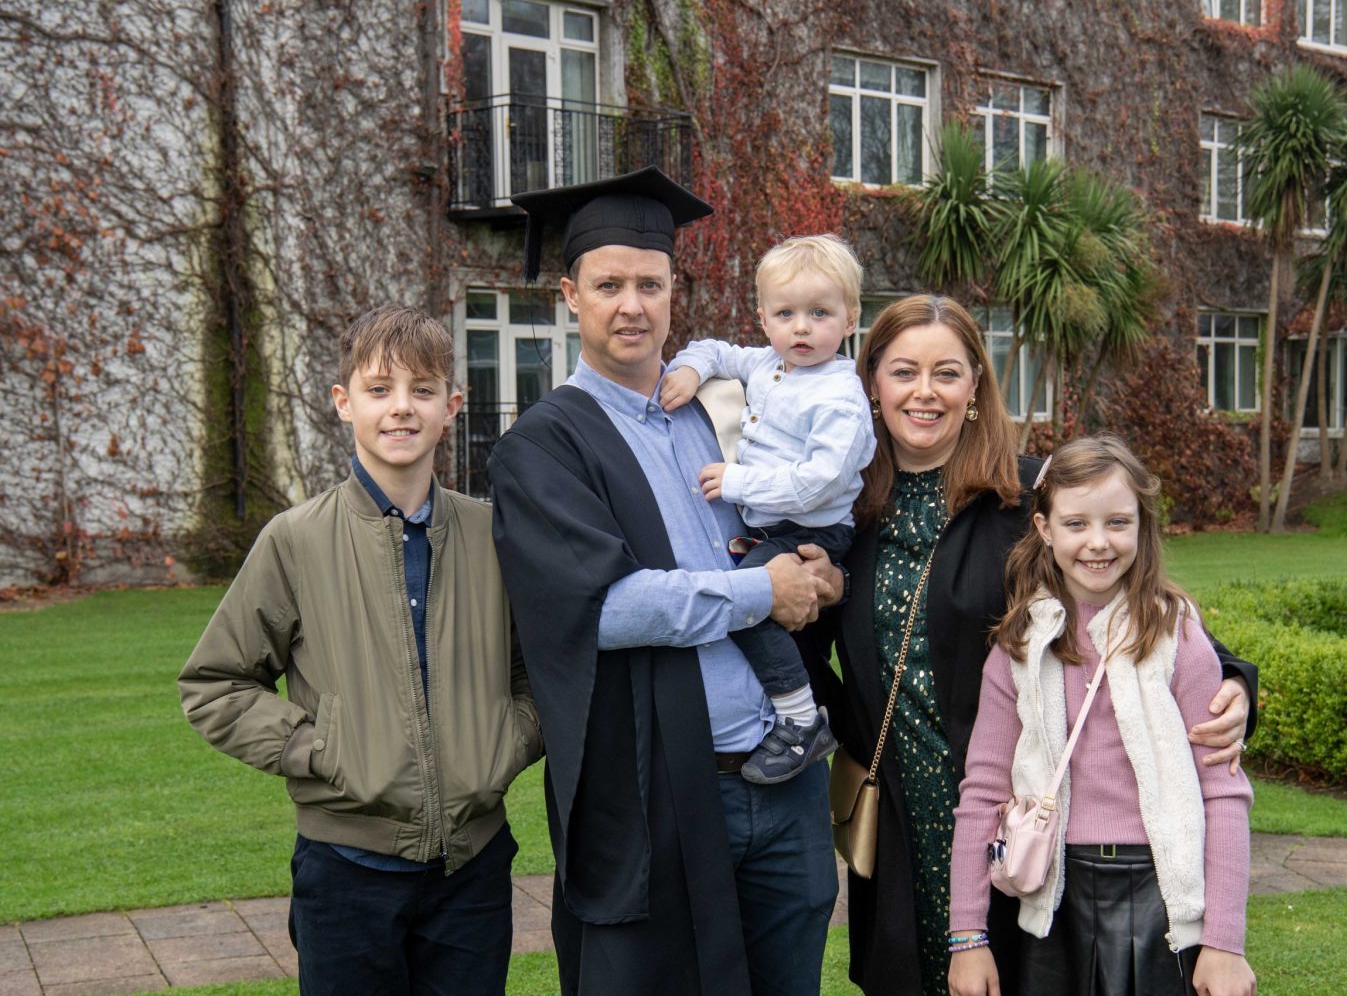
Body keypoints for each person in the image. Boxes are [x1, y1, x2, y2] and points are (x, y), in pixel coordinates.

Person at [799, 295, 1256, 996]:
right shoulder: (841, 509)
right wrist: (850, 728)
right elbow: (803, 646)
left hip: (1022, 818)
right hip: (900, 813)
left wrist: (1235, 681)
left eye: (947, 373)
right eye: (904, 372)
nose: (925, 392)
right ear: (872, 383)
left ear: (975, 386)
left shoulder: (1026, 498)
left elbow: (1140, 611)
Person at [487, 166, 840, 996]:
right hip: (663, 794)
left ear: (675, 293)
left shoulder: (712, 417)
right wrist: (765, 591)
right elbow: (604, 609)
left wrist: (817, 568)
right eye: (608, 286)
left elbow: (779, 529)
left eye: (650, 285)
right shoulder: (543, 446)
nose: (631, 306)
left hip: (784, 777)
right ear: (571, 297)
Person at [178, 304, 544, 995]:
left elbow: (544, 671)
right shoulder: (296, 540)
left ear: (451, 407)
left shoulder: (494, 536)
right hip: (345, 874)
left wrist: (509, 737)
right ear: (345, 403)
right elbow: (215, 684)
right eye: (380, 389)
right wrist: (322, 749)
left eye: (422, 389)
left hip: (473, 872)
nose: (401, 407)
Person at [947, 434, 1256, 996]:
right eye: (1076, 524)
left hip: (1163, 900)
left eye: (1117, 522)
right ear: (1044, 529)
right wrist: (967, 938)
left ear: (1142, 525)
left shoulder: (1178, 639)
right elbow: (982, 793)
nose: (1098, 543)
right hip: (1053, 902)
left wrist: (1225, 944)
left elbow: (1224, 793)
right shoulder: (1019, 647)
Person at [659, 233, 877, 785]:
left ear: (850, 318)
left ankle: (802, 719)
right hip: (772, 526)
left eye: (819, 313)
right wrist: (690, 370)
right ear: (763, 318)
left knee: (746, 601)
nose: (801, 328)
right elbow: (713, 349)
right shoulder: (768, 364)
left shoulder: (840, 395)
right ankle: (809, 704)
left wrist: (738, 482)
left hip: (813, 530)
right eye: (785, 314)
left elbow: (819, 483)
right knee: (759, 606)